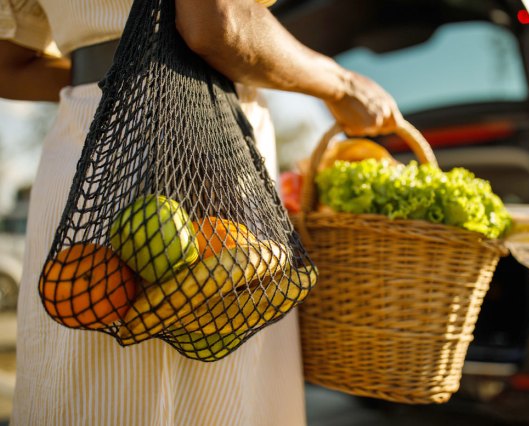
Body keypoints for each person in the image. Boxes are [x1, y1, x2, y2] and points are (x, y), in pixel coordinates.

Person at [0, 0, 401, 424]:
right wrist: (342, 83)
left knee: (84, 392)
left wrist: (122, 68)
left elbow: (9, 64)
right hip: (206, 153)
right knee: (216, 400)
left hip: (91, 148)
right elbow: (217, 22)